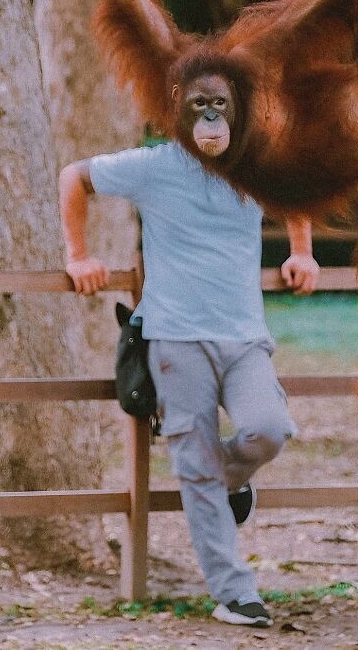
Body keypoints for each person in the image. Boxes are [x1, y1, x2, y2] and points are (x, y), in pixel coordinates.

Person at [59, 140, 319, 627]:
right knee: (194, 464)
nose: (212, 118)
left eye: (222, 105)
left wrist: (301, 251)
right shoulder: (154, 164)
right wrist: (78, 255)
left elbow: (295, 191)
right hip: (175, 339)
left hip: (243, 336)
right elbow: (75, 175)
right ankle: (234, 593)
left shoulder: (257, 163)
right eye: (202, 105)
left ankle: (233, 480)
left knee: (269, 429)